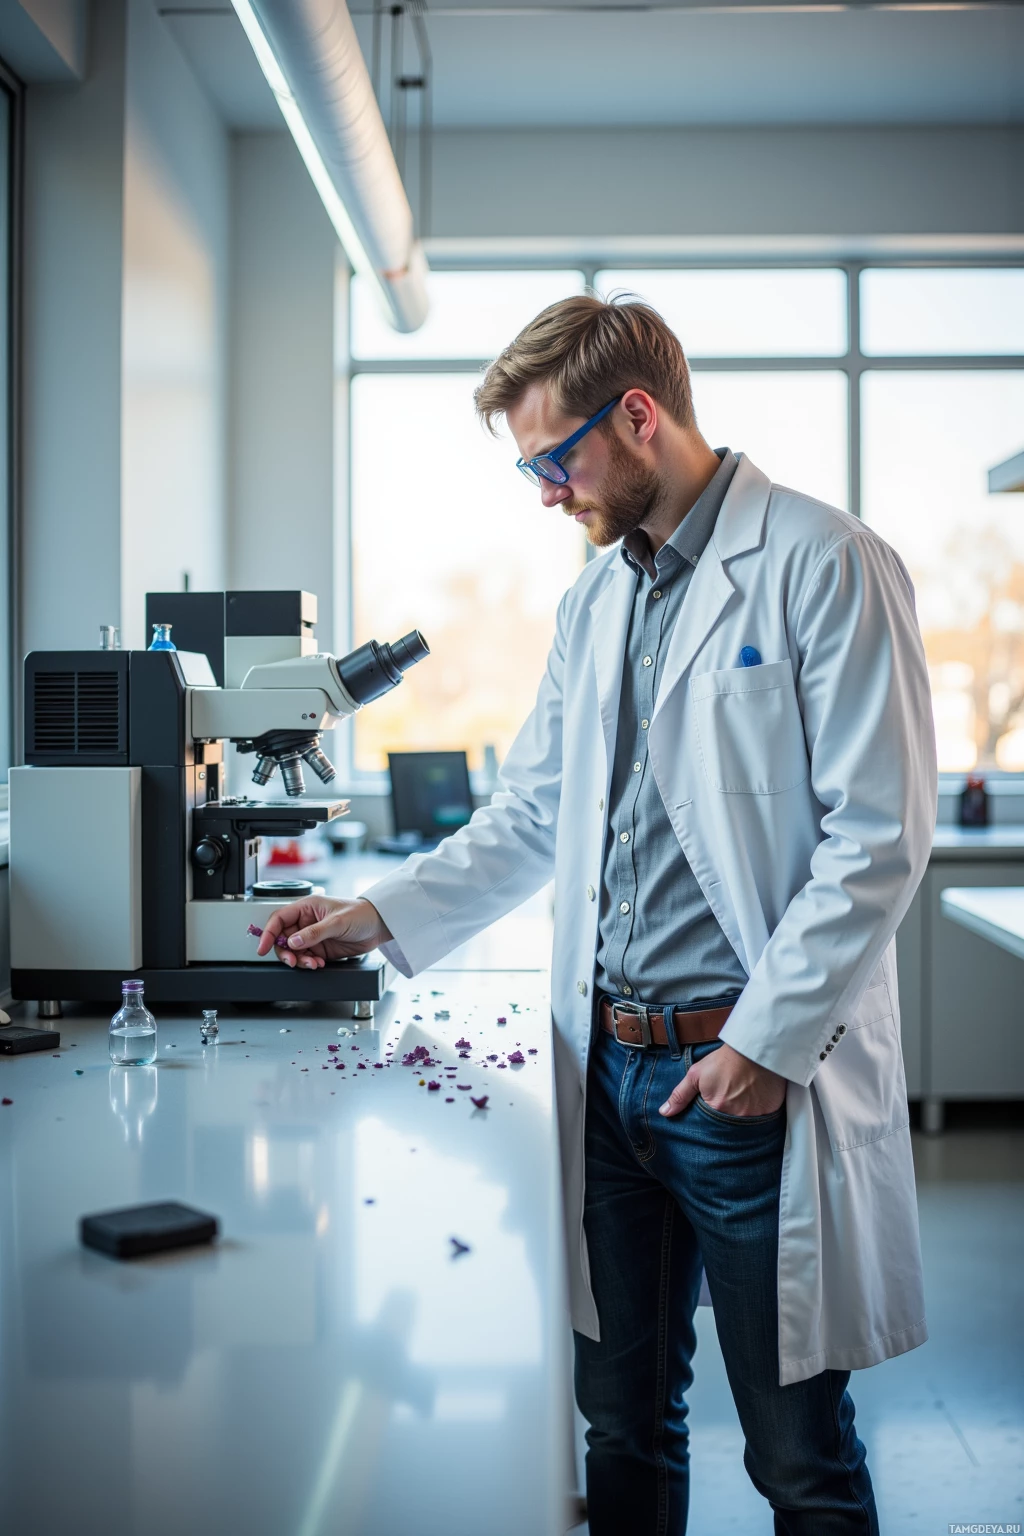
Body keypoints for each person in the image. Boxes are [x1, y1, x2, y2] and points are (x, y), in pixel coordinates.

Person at [258, 295, 937, 1534]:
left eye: (549, 460)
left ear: (636, 417)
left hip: (741, 1082)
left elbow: (879, 838)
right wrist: (376, 910)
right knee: (621, 1424)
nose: (540, 493)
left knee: (797, 1457)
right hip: (606, 1078)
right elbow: (532, 815)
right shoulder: (595, 603)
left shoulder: (822, 560)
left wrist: (761, 1051)